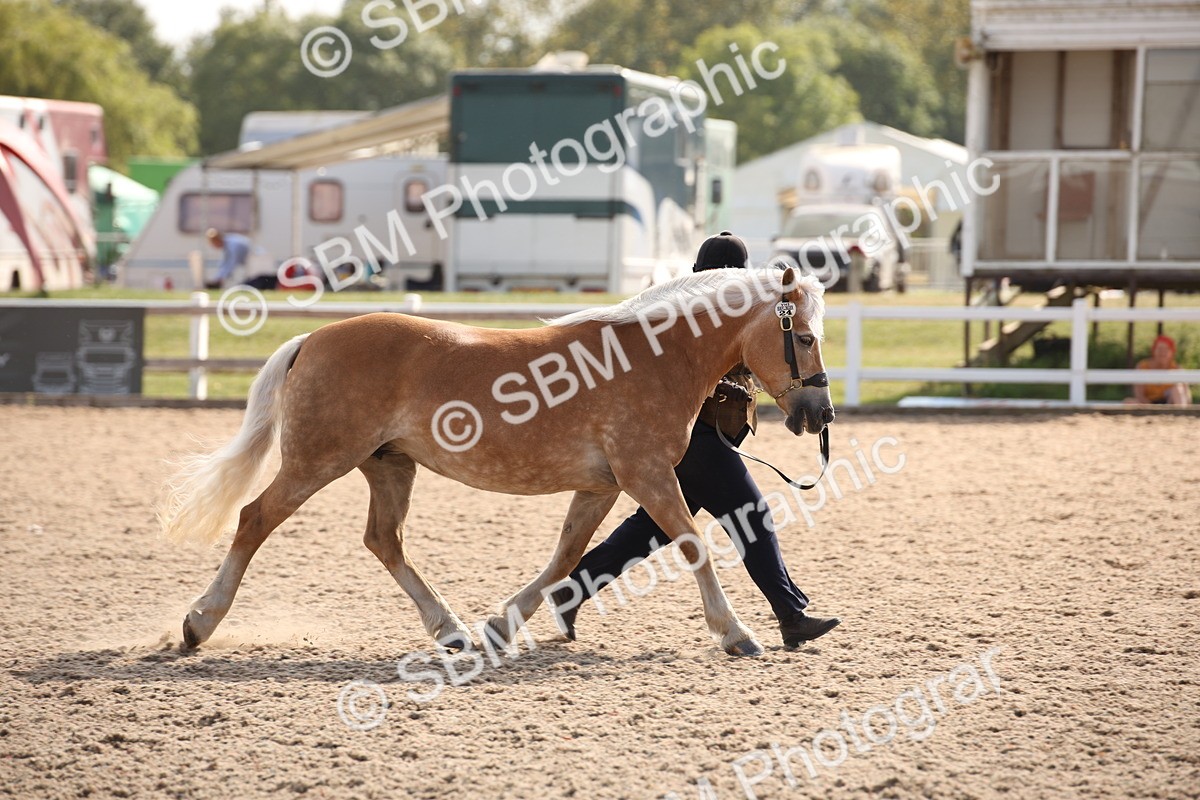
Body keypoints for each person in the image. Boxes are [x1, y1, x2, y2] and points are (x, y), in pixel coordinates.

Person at [550, 231, 841, 650]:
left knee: (654, 527)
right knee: (752, 518)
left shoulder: (713, 313)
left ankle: (573, 588)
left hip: (701, 437)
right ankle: (790, 615)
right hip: (698, 439)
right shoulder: (702, 318)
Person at [1126, 334, 1192, 405]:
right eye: (1159, 349)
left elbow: (1186, 395)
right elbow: (1139, 394)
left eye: (1166, 349)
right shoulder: (1143, 367)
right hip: (1148, 403)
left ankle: (1180, 413)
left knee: (1178, 388)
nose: (1162, 352)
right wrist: (1152, 408)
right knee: (1128, 402)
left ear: (1172, 352)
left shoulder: (1176, 368)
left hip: (1170, 404)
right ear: (1154, 350)